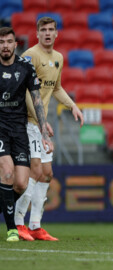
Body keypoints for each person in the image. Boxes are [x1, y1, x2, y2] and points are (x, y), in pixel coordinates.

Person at [14, 17, 84, 242]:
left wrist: (72, 105)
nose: (47, 33)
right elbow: (24, 92)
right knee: (35, 170)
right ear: (36, 34)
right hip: (25, 121)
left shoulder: (58, 58)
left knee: (47, 173)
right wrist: (40, 120)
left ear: (57, 34)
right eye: (43, 30)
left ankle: (35, 226)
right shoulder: (29, 56)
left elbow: (57, 87)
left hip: (39, 123)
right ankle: (18, 224)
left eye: (51, 30)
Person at [0, 27, 54, 242]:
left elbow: (37, 101)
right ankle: (12, 228)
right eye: (1, 42)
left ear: (15, 44)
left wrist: (44, 133)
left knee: (21, 184)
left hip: (19, 129)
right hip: (0, 129)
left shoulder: (25, 67)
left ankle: (6, 209)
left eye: (8, 42)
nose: (5, 46)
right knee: (6, 171)